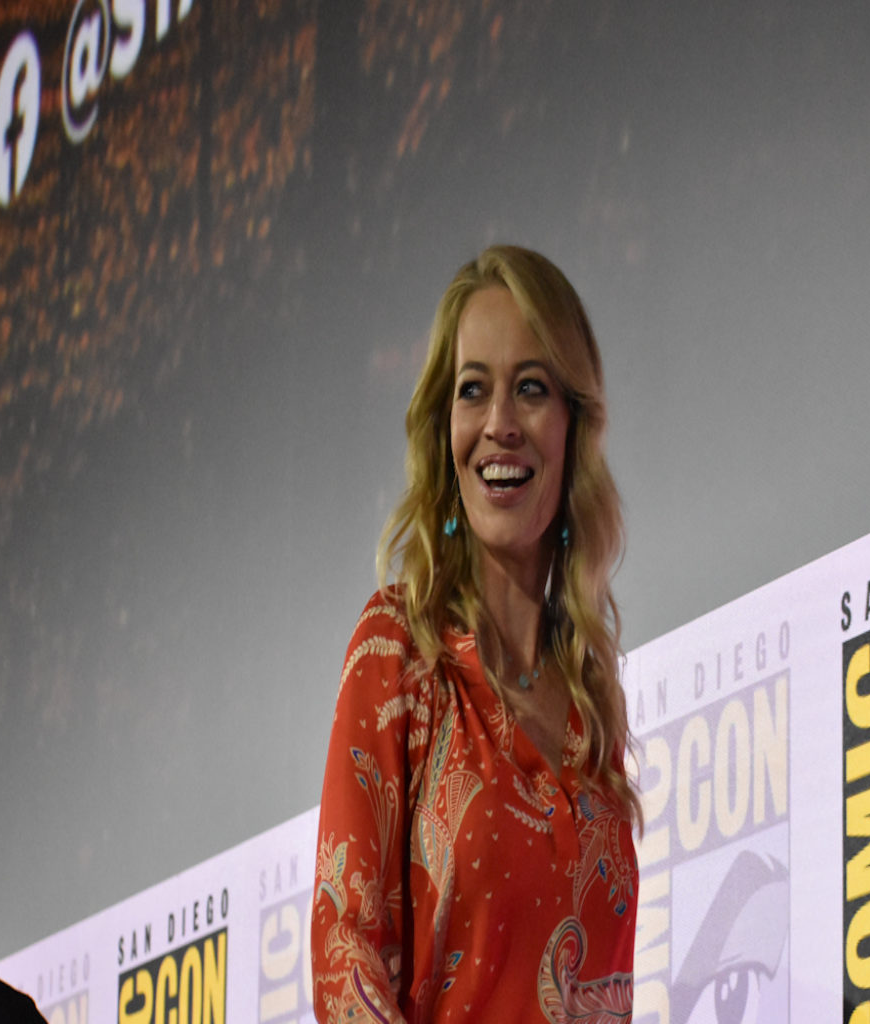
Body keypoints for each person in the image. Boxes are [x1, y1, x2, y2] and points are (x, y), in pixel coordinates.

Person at [311, 245, 642, 1023]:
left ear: (574, 426)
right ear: (445, 430)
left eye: (530, 389)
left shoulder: (593, 709)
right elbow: (344, 953)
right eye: (472, 390)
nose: (499, 425)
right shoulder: (399, 649)